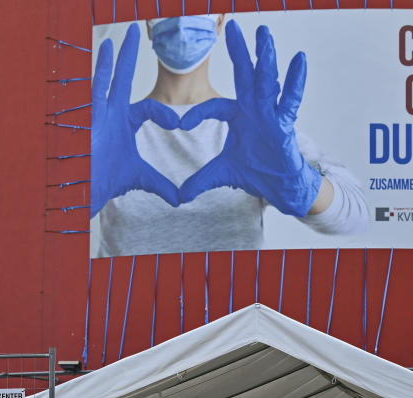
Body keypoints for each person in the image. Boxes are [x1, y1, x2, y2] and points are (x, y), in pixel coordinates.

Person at [89, 15, 369, 257]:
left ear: (220, 19)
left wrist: (303, 186)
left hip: (239, 317)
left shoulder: (253, 130)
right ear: (149, 23)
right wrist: (75, 197)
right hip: (126, 314)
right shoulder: (110, 136)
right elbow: (48, 232)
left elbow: (359, 215)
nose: (184, 16)